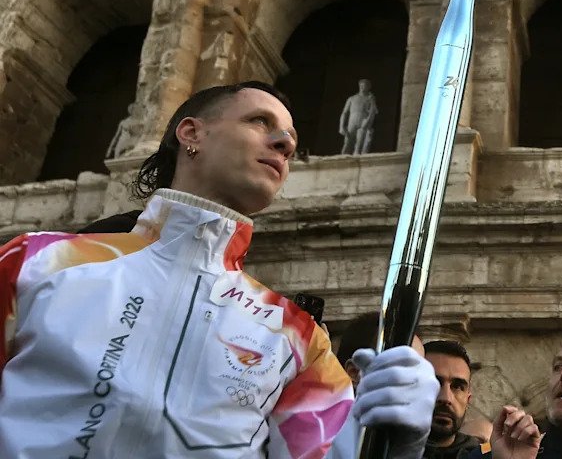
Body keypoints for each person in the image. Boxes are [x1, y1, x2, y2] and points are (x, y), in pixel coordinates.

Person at [0, 81, 438, 458]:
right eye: (260, 122)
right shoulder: (36, 261)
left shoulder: (300, 338)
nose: (285, 143)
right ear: (192, 132)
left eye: (289, 138)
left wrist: (392, 444)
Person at [424, 340, 483, 459]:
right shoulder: (380, 448)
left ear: (468, 399)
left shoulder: (486, 455)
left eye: (457, 387)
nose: (446, 398)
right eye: (434, 383)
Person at [340, 78, 379, 154]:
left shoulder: (370, 99)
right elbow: (344, 113)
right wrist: (341, 126)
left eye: (365, 86)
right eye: (361, 86)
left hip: (363, 123)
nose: (362, 87)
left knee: (359, 145)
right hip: (352, 122)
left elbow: (373, 112)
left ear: (368, 87)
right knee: (347, 144)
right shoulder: (352, 98)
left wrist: (372, 101)